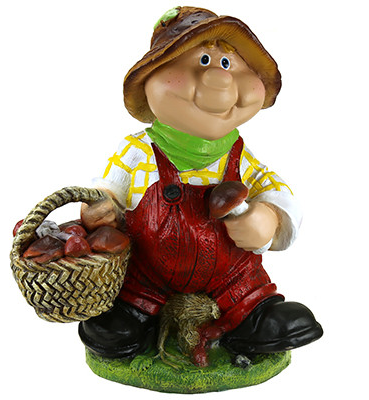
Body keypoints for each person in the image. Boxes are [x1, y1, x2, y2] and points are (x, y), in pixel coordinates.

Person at [78, 6, 323, 363]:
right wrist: (102, 205)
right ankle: (132, 318)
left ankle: (253, 318)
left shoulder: (241, 158)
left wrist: (268, 219)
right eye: (202, 60)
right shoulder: (138, 151)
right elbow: (109, 187)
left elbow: (275, 190)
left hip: (233, 278)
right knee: (125, 308)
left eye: (228, 63)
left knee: (249, 292)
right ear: (150, 79)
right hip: (148, 274)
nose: (219, 79)